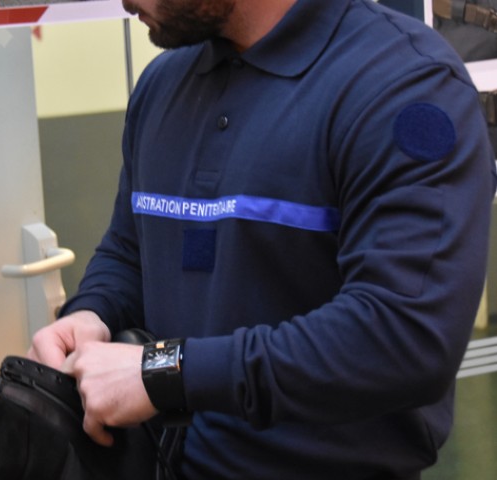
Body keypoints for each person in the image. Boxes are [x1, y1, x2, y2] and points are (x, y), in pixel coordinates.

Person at [28, 0, 497, 478]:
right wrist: (93, 312)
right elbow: (132, 250)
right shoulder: (163, 84)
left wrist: (166, 372)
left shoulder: (404, 83)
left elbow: (402, 338)